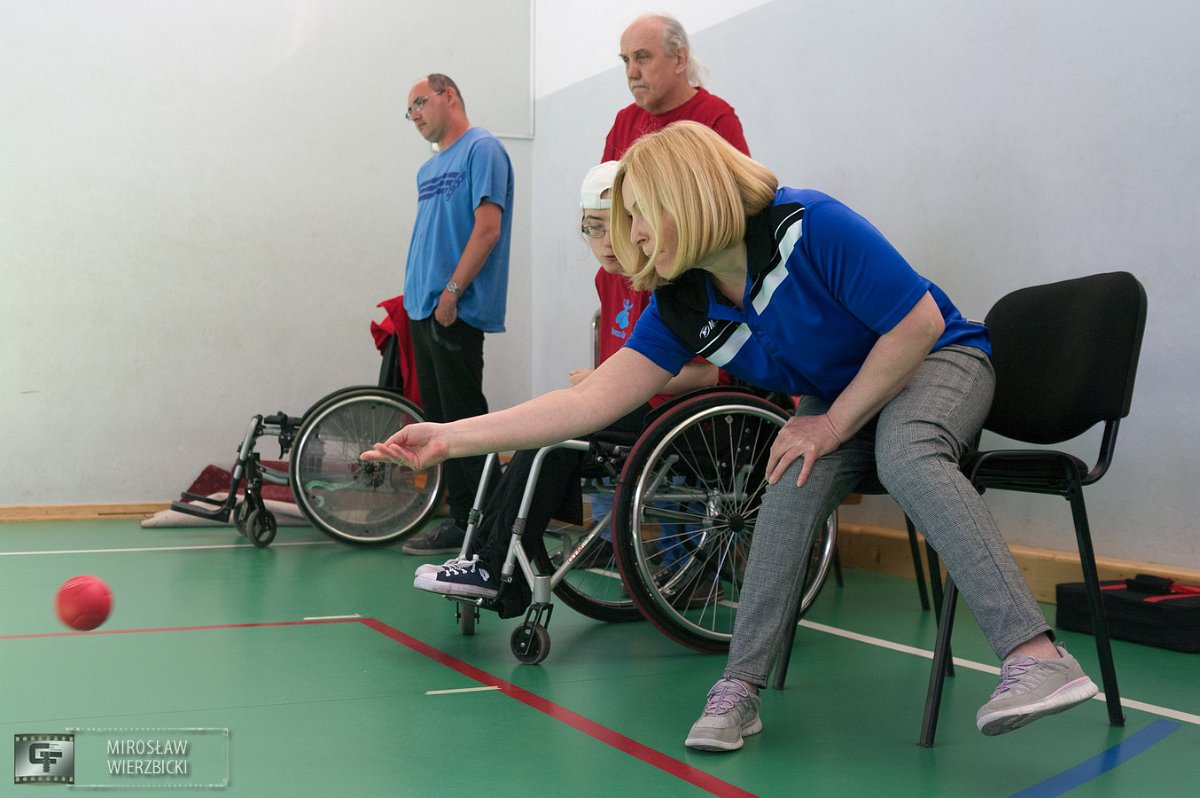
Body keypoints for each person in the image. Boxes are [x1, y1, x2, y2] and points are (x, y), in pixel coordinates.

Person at [366, 121, 1102, 752]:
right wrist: (449, 437)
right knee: (788, 486)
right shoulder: (681, 302)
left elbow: (918, 324)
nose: (631, 237)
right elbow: (588, 403)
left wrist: (832, 421)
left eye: (640, 216)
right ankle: (740, 688)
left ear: (684, 196)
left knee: (905, 452)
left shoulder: (810, 224)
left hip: (938, 357)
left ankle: (1037, 655)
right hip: (842, 392)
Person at [410, 161, 719, 616]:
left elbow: (712, 374)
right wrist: (604, 380)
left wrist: (604, 379)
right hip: (629, 405)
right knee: (538, 427)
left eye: (618, 226)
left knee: (554, 434)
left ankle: (495, 569)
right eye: (594, 229)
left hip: (679, 414)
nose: (607, 242)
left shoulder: (674, 278)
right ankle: (482, 561)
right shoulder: (608, 278)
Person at [399, 74, 514, 556]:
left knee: (464, 422)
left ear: (449, 96)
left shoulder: (482, 149)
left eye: (420, 103)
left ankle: (484, 525)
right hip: (423, 309)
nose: (415, 115)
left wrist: (452, 292)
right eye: (409, 110)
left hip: (454, 309)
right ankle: (463, 518)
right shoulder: (428, 169)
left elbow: (487, 230)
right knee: (442, 421)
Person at [604, 13, 749, 161]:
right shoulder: (624, 121)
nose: (631, 73)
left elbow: (742, 177)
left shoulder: (716, 118)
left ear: (680, 59)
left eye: (642, 56)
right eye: (626, 60)